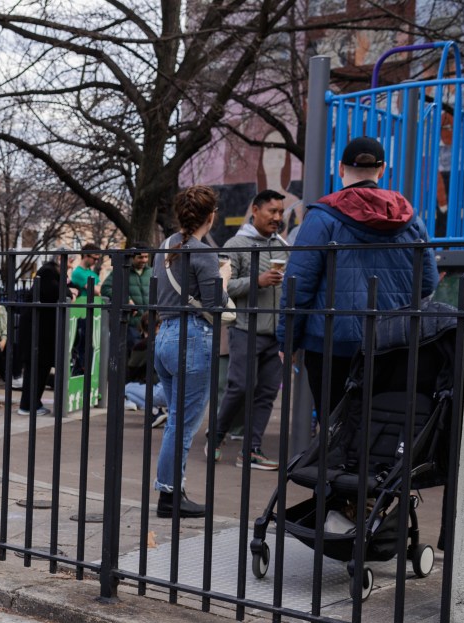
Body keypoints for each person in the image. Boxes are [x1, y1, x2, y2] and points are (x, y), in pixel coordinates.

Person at [278, 136, 439, 414]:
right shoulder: (411, 219)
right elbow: (427, 284)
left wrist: (288, 340)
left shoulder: (321, 217)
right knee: (379, 428)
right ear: (382, 169)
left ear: (340, 169)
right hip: (393, 343)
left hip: (332, 344)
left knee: (335, 427)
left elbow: (298, 285)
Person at [152, 185, 229, 519]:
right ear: (211, 217)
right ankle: (169, 496)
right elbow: (215, 304)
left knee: (175, 423)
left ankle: (172, 491)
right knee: (182, 426)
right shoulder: (203, 252)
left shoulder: (165, 246)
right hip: (193, 338)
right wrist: (224, 276)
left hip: (165, 337)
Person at [209, 190, 288, 470]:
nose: (278, 217)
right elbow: (222, 285)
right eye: (272, 211)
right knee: (240, 386)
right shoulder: (236, 243)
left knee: (267, 391)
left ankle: (251, 450)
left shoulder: (282, 244)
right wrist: (258, 280)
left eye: (281, 212)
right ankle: (215, 436)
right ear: (255, 210)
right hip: (245, 328)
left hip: (275, 333)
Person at [18, 260, 62, 416]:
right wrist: (69, 291)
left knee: (39, 368)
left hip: (40, 332)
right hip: (37, 333)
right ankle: (29, 405)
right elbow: (55, 291)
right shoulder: (48, 273)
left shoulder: (49, 274)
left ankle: (32, 403)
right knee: (35, 368)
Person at [101, 241, 152, 352]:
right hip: (131, 323)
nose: (144, 260)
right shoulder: (122, 270)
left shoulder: (151, 272)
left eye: (146, 257)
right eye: (140, 257)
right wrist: (125, 299)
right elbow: (105, 288)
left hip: (149, 323)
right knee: (132, 355)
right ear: (132, 258)